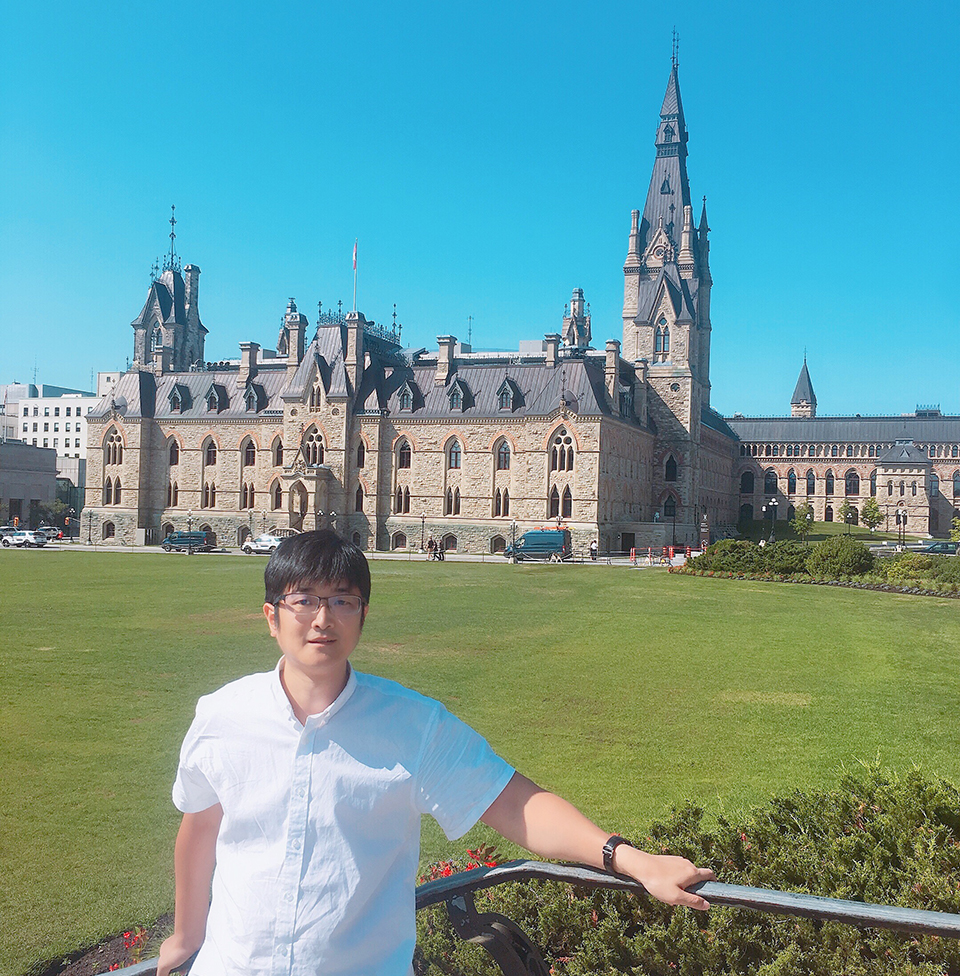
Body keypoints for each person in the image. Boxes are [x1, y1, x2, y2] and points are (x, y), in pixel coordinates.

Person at [158, 531, 713, 976]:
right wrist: (186, 936)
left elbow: (515, 804)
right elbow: (200, 830)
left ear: (363, 615)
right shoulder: (222, 715)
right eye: (303, 601)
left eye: (341, 601)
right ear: (272, 616)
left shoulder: (413, 725)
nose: (322, 619)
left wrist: (631, 859)